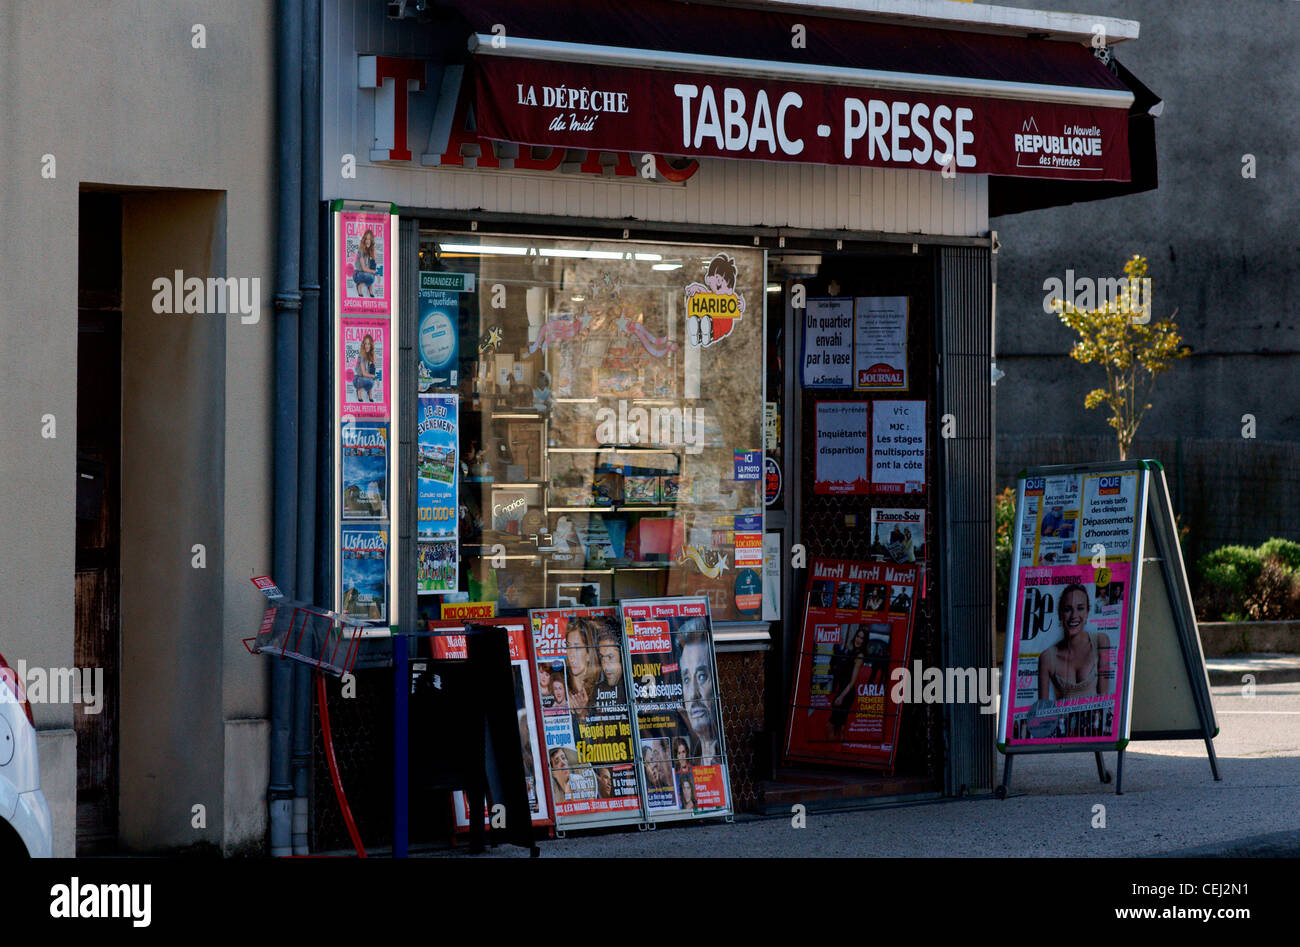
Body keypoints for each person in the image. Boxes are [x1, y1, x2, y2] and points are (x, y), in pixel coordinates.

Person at [1037, 583, 1114, 701]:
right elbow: (1042, 710)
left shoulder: (1101, 641)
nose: (1074, 616)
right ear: (1060, 614)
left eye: (1080, 608)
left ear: (1087, 612)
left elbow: (1104, 698)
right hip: (1061, 720)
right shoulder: (1047, 657)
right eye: (1068, 609)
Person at [677, 621, 722, 765]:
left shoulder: (725, 756)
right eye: (686, 680)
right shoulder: (693, 760)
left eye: (702, 676)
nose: (693, 694)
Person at [826, 625, 867, 740]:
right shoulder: (850, 650)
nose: (859, 640)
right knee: (841, 723)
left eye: (862, 638)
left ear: (864, 641)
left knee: (831, 724)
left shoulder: (859, 656)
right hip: (842, 689)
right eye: (858, 636)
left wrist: (841, 697)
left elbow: (852, 681)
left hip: (847, 692)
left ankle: (834, 751)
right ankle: (840, 748)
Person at [564, 619, 601, 710]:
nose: (571, 655)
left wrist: (582, 714)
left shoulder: (601, 691)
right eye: (568, 646)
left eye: (577, 647)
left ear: (589, 654)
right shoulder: (561, 690)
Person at [593, 630, 626, 704]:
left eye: (610, 657)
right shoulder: (596, 692)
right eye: (602, 657)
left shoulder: (631, 687)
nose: (605, 666)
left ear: (621, 657)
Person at [353, 229, 378, 297]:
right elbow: (364, 268)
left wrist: (373, 250)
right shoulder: (361, 250)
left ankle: (369, 289)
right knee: (372, 277)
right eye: (366, 239)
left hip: (364, 274)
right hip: (358, 274)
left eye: (369, 239)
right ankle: (360, 286)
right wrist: (373, 271)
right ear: (364, 240)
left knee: (372, 269)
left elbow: (373, 263)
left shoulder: (369, 251)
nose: (368, 241)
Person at [353, 333, 377, 402]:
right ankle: (359, 391)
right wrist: (373, 376)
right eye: (365, 344)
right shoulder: (362, 355)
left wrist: (372, 354)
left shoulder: (369, 354)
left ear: (371, 345)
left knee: (372, 366)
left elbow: (375, 362)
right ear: (363, 345)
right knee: (372, 381)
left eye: (369, 344)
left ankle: (370, 393)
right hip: (358, 379)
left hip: (364, 379)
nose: (367, 346)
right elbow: (363, 373)